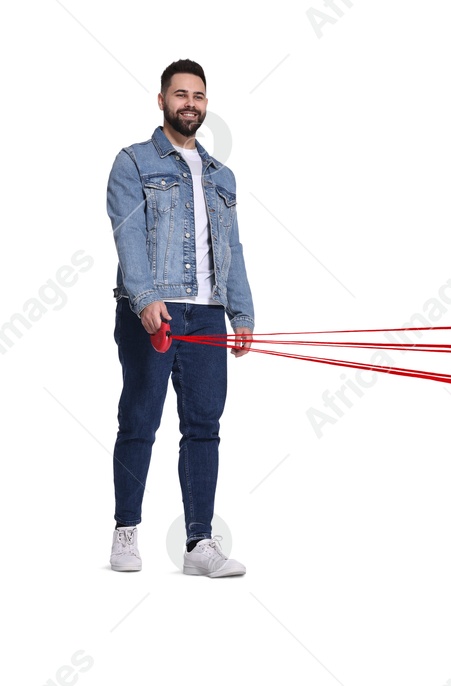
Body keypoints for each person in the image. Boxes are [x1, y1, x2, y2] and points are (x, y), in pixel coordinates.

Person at [105, 59, 255, 577]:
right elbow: (127, 235)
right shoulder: (134, 162)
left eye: (198, 95)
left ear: (206, 103)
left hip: (208, 316)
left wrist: (242, 311)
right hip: (155, 310)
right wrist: (144, 297)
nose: (189, 103)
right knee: (139, 422)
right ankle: (126, 531)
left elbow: (230, 246)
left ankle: (199, 545)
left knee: (204, 428)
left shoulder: (222, 176)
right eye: (180, 94)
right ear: (162, 100)